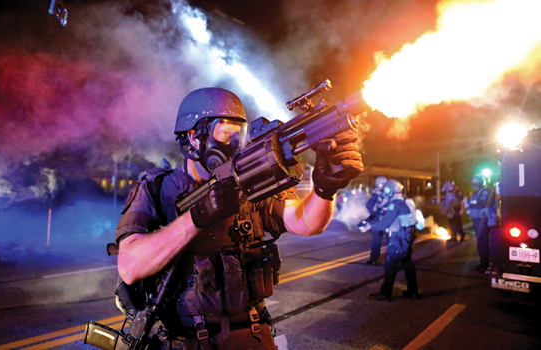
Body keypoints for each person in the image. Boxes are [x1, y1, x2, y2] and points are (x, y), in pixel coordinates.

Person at [114, 87, 364, 349]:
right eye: (224, 133)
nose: (233, 143)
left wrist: (324, 188)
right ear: (193, 137)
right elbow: (130, 267)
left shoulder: (249, 185)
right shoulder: (158, 187)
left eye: (239, 134)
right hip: (186, 341)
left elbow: (306, 222)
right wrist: (199, 216)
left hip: (253, 336)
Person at [360, 179, 419, 301]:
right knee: (407, 263)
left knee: (390, 264)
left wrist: (369, 226)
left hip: (398, 238)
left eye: (386, 189)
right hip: (407, 236)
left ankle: (385, 292)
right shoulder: (405, 201)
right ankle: (413, 291)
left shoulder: (395, 204)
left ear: (391, 189)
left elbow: (385, 223)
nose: (385, 191)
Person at [468, 176, 496, 273]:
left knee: (482, 242)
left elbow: (485, 203)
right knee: (480, 242)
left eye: (476, 182)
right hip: (477, 219)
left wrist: (473, 206)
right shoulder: (476, 192)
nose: (474, 184)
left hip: (482, 219)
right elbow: (473, 204)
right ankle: (483, 263)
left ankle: (484, 265)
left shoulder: (484, 191)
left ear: (480, 182)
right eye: (473, 182)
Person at [363, 176, 388, 265]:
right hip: (382, 220)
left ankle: (374, 259)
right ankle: (374, 259)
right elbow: (369, 205)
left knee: (387, 241)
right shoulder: (381, 193)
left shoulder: (381, 193)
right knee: (378, 241)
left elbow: (369, 206)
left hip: (384, 220)